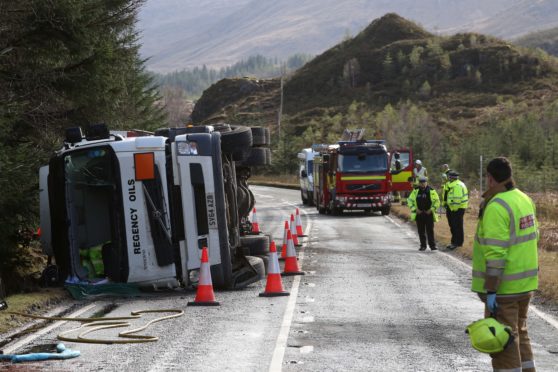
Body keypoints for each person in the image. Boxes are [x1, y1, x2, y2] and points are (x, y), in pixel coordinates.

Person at [472, 157, 538, 371]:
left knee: (503, 342)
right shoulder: (523, 199)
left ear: (490, 179)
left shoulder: (496, 207)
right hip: (526, 284)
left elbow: (496, 254)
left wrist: (491, 290)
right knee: (520, 332)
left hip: (504, 289)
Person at [408, 176, 440, 251]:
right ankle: (423, 246)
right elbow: (409, 201)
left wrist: (431, 209)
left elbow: (437, 201)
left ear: (426, 182)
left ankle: (432, 246)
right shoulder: (415, 191)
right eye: (421, 183)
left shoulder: (432, 191)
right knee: (421, 231)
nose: (422, 184)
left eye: (424, 182)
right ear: (419, 183)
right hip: (419, 214)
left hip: (429, 214)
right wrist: (415, 209)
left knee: (430, 230)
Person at [446, 171, 468, 250]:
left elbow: (457, 199)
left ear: (452, 178)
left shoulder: (457, 185)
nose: (448, 178)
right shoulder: (454, 184)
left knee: (456, 226)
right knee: (454, 225)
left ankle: (456, 243)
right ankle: (455, 242)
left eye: (449, 177)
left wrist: (453, 209)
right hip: (454, 208)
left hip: (457, 209)